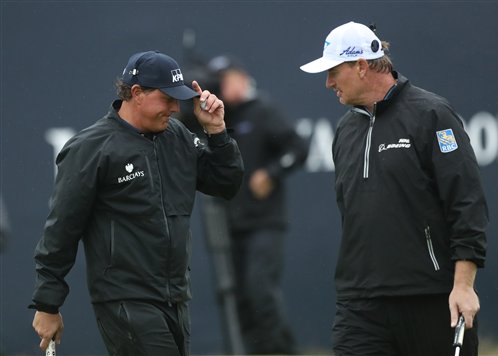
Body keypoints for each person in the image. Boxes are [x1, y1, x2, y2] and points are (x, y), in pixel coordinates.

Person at [30, 50, 244, 356]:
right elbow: (61, 229)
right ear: (136, 93)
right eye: (167, 98)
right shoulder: (91, 148)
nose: (174, 108)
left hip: (176, 297)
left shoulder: (178, 136)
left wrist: (217, 133)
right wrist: (47, 304)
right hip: (124, 299)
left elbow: (226, 184)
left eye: (178, 99)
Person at [300, 22, 488, 356]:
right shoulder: (346, 130)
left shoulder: (432, 114)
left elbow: (466, 202)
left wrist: (463, 286)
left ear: (361, 66)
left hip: (430, 297)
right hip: (360, 304)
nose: (328, 83)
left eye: (333, 72)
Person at [203, 55, 308, 354]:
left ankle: (281, 352)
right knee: (240, 299)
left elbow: (298, 148)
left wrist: (271, 174)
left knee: (260, 290)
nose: (225, 86)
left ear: (242, 78)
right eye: (219, 82)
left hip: (264, 222)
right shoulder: (221, 118)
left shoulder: (263, 111)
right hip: (232, 224)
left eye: (228, 79)